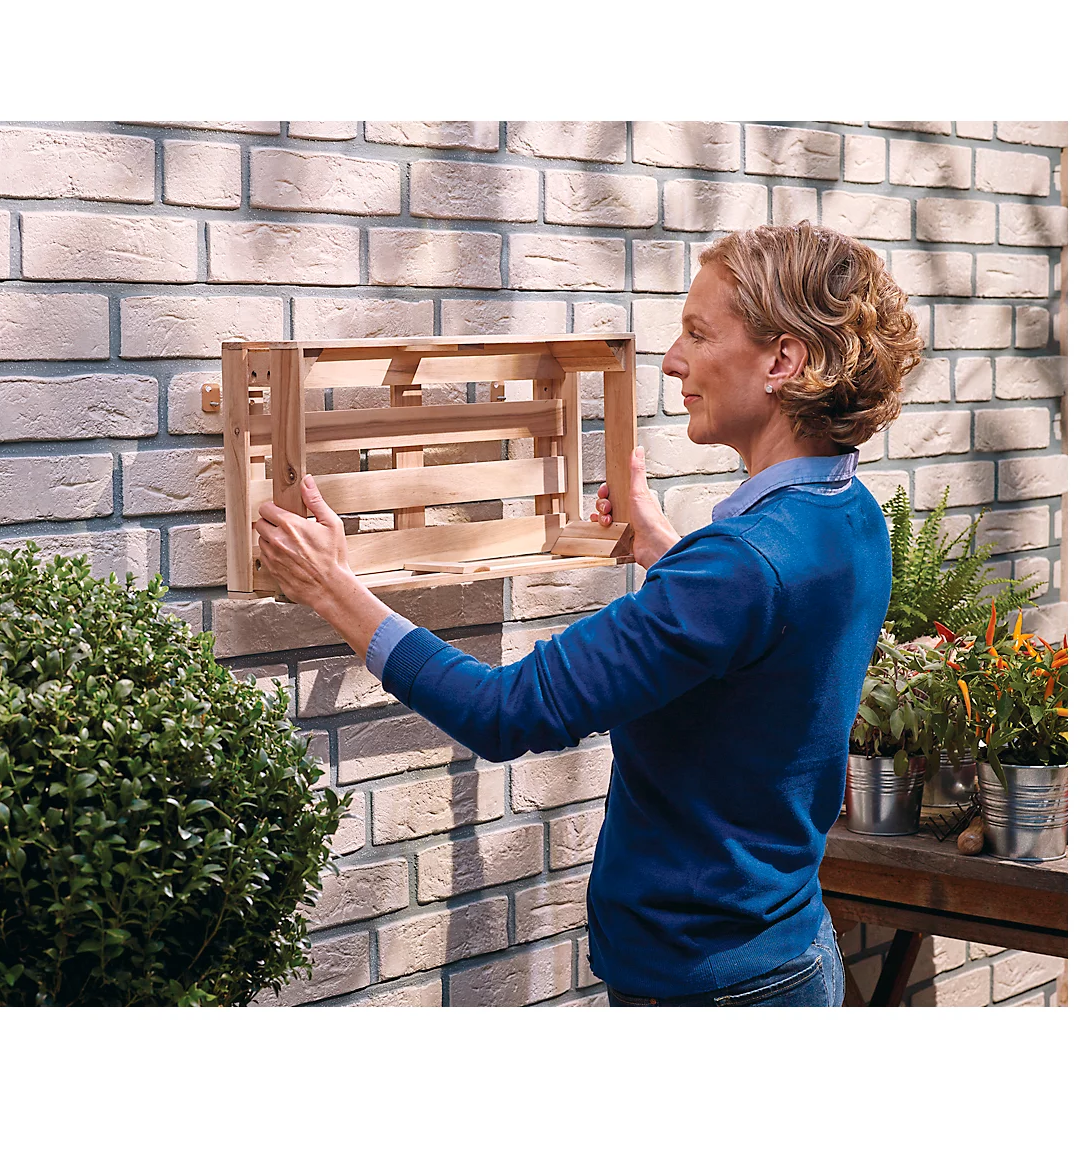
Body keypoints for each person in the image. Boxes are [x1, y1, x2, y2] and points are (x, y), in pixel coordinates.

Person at [252, 221, 922, 1007]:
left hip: (712, 991)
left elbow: (504, 713)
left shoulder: (737, 568)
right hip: (787, 954)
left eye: (698, 333)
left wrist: (333, 587)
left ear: (783, 361)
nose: (672, 360)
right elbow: (755, 638)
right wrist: (664, 549)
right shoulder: (849, 517)